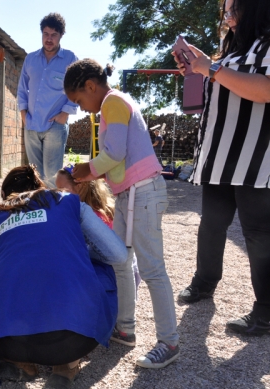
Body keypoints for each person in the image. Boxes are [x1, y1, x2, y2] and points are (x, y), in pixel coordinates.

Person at [0, 165, 127, 389]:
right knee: (101, 266)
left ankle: (19, 362)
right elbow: (118, 255)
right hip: (73, 341)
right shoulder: (64, 201)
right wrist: (79, 252)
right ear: (41, 189)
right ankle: (66, 365)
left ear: (5, 196)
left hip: (7, 340)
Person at [67, 59, 180, 369]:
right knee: (120, 260)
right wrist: (94, 172)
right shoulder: (110, 105)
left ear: (90, 86)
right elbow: (118, 160)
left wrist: (87, 170)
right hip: (129, 194)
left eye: (79, 100)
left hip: (144, 193)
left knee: (152, 269)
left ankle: (169, 341)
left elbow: (114, 153)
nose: (82, 108)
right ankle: (124, 328)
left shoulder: (113, 102)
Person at [173, 0, 270, 335]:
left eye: (234, 9)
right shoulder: (230, 49)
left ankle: (266, 311)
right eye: (225, 10)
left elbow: (265, 90)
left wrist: (211, 69)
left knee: (258, 234)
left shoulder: (267, 44)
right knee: (212, 224)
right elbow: (223, 83)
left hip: (255, 158)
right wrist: (199, 65)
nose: (227, 16)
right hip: (220, 154)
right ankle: (204, 282)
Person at [17, 12, 79, 188]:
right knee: (34, 175)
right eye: (46, 34)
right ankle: (38, 212)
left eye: (53, 35)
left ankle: (51, 213)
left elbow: (77, 88)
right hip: (31, 124)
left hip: (55, 126)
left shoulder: (70, 59)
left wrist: (65, 114)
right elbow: (22, 89)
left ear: (61, 36)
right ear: (41, 34)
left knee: (52, 177)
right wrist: (23, 116)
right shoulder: (30, 59)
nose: (49, 39)